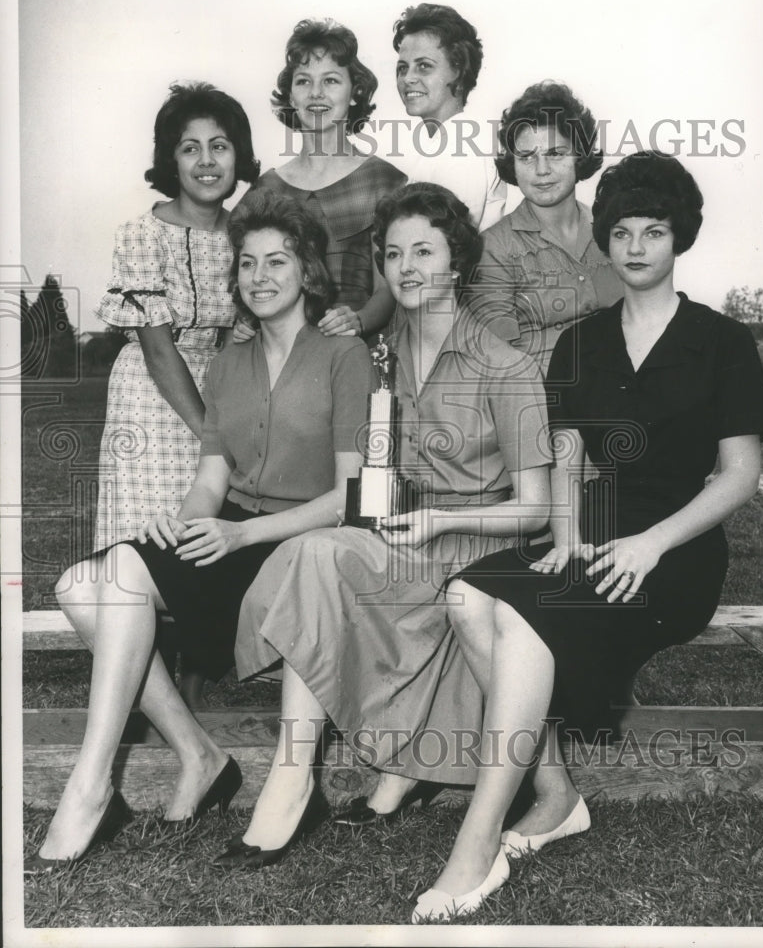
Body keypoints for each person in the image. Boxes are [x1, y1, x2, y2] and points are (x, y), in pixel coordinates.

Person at [410, 151, 763, 922]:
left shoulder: (722, 341)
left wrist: (650, 546)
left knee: (529, 622)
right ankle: (555, 794)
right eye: (620, 232)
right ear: (603, 242)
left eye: (654, 231)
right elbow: (566, 457)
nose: (635, 246)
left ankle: (476, 842)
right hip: (595, 535)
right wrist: (570, 536)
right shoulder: (581, 342)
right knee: (471, 596)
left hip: (676, 554)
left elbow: (737, 475)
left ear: (680, 241)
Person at [25, 191, 374, 873]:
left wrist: (241, 537)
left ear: (307, 269)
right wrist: (185, 522)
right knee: (84, 583)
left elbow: (349, 496)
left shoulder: (342, 353)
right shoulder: (229, 361)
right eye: (247, 264)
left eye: (277, 261)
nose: (260, 276)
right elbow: (212, 479)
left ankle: (94, 791)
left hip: (307, 537)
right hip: (233, 525)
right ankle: (148, 767)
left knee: (114, 582)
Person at [215, 182, 552, 869]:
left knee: (326, 561)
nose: (405, 267)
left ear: (455, 260)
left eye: (422, 251)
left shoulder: (505, 365)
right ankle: (291, 773)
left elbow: (536, 508)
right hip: (399, 539)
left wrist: (435, 522)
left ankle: (395, 766)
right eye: (392, 253)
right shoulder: (372, 354)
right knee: (316, 556)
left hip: (473, 551)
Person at [94, 82, 260, 554]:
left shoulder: (247, 235)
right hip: (152, 396)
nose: (207, 161)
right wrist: (215, 436)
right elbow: (159, 351)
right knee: (147, 536)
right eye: (191, 148)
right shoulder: (140, 234)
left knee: (207, 537)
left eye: (220, 146)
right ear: (172, 160)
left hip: (225, 389)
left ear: (238, 156)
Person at [251, 18, 406, 339]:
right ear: (291, 96)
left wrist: (359, 320)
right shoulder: (266, 189)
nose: (316, 93)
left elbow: (390, 288)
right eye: (304, 82)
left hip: (354, 353)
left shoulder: (383, 181)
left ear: (354, 93)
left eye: (331, 80)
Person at [467, 80, 623, 372]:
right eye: (526, 157)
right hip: (545, 402)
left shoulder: (615, 233)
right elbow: (501, 363)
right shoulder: (493, 249)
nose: (541, 170)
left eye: (555, 153)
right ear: (511, 164)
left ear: (580, 155)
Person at [393, 3, 507, 231]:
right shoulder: (446, 143)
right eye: (403, 68)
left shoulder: (460, 150)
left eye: (424, 66)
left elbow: (444, 247)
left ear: (458, 70)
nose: (408, 78)